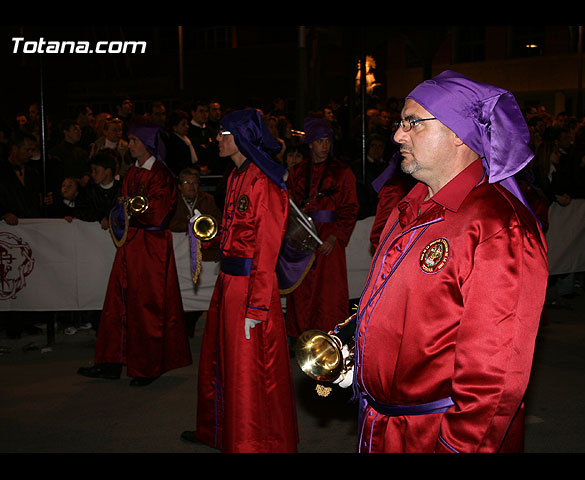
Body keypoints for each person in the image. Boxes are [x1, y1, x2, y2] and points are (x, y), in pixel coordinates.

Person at [339, 70, 548, 453]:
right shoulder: (412, 204)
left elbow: (496, 376)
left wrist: (457, 447)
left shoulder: (496, 224)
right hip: (385, 426)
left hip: (435, 435)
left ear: (458, 132)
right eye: (400, 123)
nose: (398, 135)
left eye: (412, 123)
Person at [181, 109, 297, 453]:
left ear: (241, 137)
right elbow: (237, 235)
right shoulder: (235, 178)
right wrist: (211, 237)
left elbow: (266, 250)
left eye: (223, 133)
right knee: (222, 362)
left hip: (249, 289)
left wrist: (258, 305)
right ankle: (222, 430)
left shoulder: (265, 182)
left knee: (249, 369)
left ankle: (252, 441)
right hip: (228, 285)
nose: (216, 138)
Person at [77, 123, 192, 386]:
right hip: (132, 244)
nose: (129, 144)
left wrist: (130, 212)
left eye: (134, 140)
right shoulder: (132, 173)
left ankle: (147, 367)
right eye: (129, 140)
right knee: (118, 301)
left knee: (146, 305)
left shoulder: (161, 174)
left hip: (151, 247)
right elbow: (125, 205)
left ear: (147, 144)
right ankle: (110, 361)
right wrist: (122, 213)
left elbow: (159, 214)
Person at [285, 117, 359, 339]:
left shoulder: (342, 171)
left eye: (327, 141)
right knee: (300, 288)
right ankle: (299, 336)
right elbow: (290, 206)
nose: (324, 146)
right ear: (310, 144)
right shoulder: (298, 171)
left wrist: (335, 237)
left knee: (329, 290)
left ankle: (330, 336)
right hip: (302, 236)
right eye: (319, 141)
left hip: (330, 236)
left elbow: (350, 207)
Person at [169, 167, 222, 337]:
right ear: (179, 186)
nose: (191, 186)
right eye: (187, 183)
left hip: (205, 257)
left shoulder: (208, 199)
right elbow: (169, 222)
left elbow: (217, 221)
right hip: (180, 258)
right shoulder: (173, 201)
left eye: (194, 182)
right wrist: (190, 225)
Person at [74, 149, 122, 230]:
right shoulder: (89, 188)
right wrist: (100, 217)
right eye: (92, 170)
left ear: (108, 171)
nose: (92, 174)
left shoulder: (121, 188)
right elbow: (80, 210)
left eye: (96, 171)